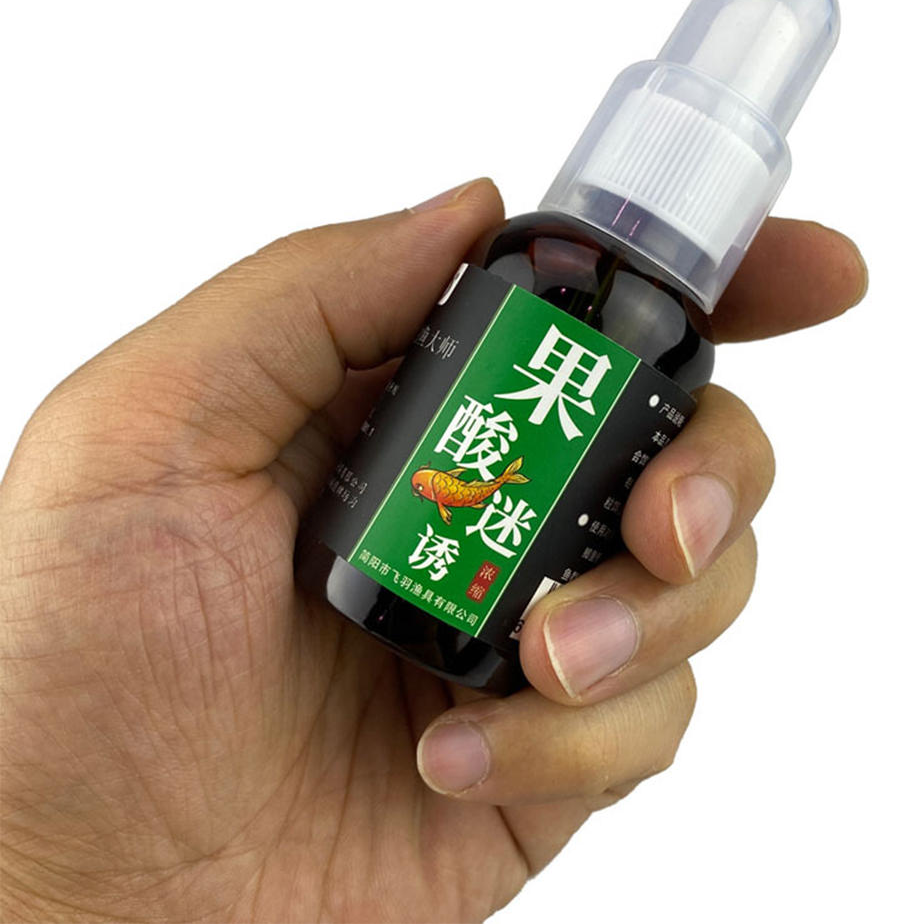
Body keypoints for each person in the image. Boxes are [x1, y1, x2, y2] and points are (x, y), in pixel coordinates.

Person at [0, 179, 866, 922]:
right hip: (286, 643)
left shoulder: (636, 321)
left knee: (629, 580)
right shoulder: (533, 260)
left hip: (403, 749)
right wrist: (51, 884)